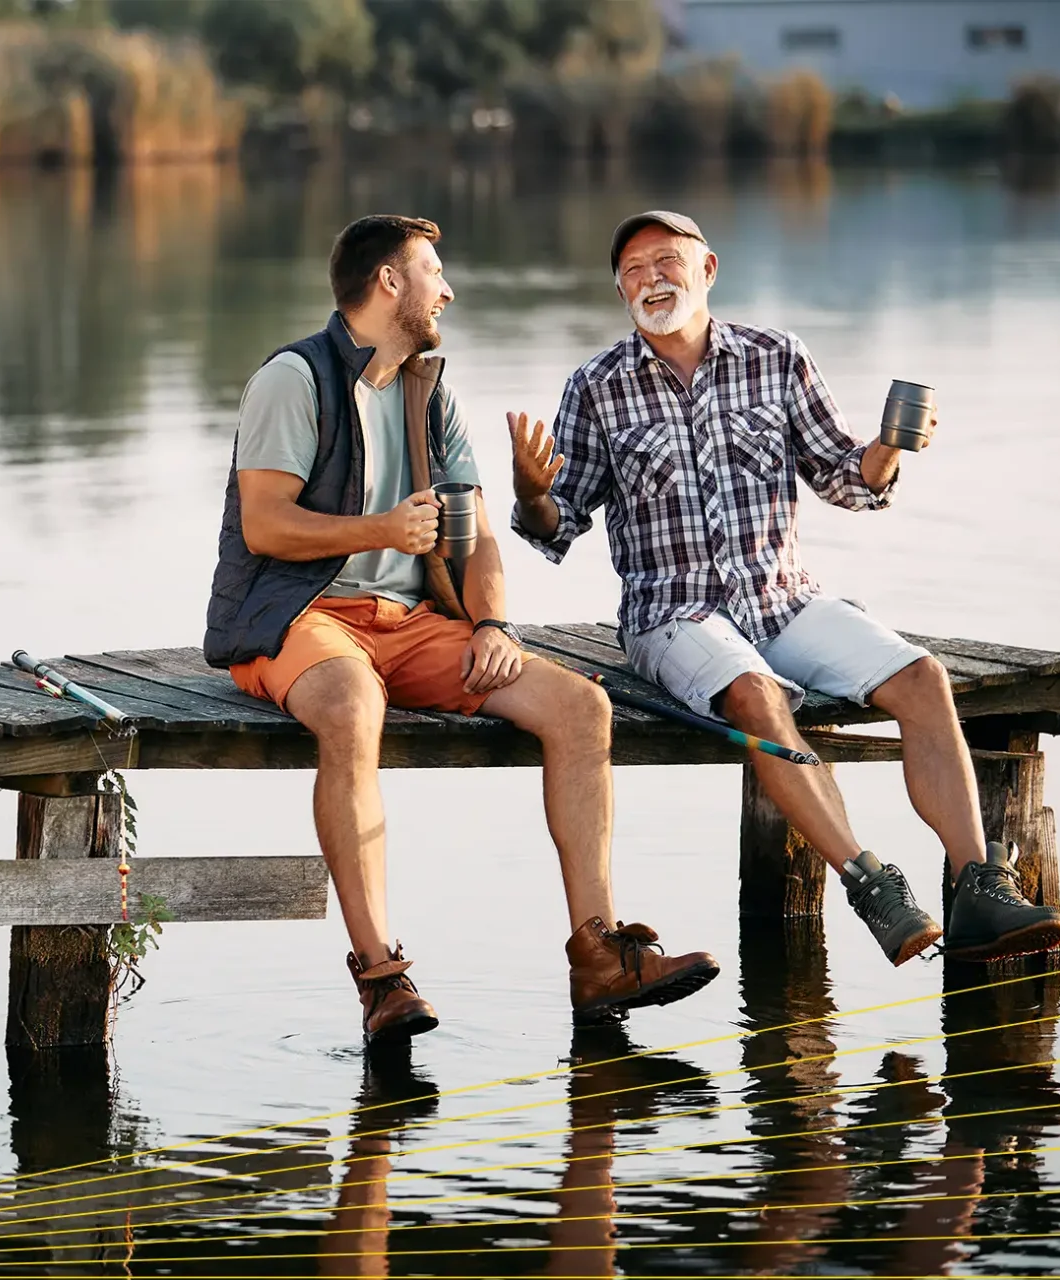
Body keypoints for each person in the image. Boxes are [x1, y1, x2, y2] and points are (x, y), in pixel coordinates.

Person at [202, 214, 719, 1046]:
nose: (448, 289)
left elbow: (474, 535)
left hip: (411, 624)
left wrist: (491, 623)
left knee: (582, 707)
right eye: (432, 272)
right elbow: (264, 527)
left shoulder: (430, 388)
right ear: (388, 284)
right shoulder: (292, 379)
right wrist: (378, 532)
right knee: (349, 702)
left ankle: (599, 955)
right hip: (297, 618)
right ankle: (381, 977)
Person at [507, 209, 1060, 970]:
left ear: (707, 271)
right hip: (672, 615)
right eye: (633, 270)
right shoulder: (596, 386)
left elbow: (846, 477)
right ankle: (874, 886)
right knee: (756, 695)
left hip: (785, 600)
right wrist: (532, 490)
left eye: (666, 261)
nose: (650, 278)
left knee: (923, 676)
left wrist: (887, 449)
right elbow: (556, 527)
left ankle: (980, 888)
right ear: (619, 291)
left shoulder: (777, 356)